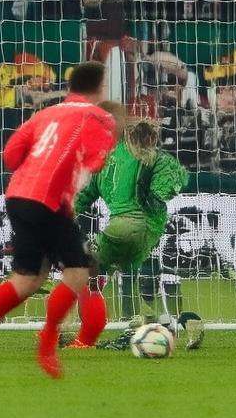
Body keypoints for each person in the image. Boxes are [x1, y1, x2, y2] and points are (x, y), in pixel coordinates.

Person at [0, 61, 117, 378]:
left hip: (17, 197)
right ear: (100, 87)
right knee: (78, 271)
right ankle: (47, 343)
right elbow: (97, 162)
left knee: (27, 279)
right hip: (49, 201)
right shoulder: (98, 116)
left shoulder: (45, 114)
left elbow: (10, 156)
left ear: (71, 86)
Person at [73, 104, 203, 350]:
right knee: (132, 271)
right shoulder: (117, 160)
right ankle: (175, 322)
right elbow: (87, 193)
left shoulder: (145, 161)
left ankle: (114, 329)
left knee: (93, 269)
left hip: (137, 226)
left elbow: (167, 186)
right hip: (137, 226)